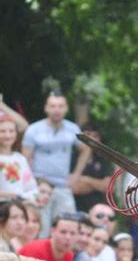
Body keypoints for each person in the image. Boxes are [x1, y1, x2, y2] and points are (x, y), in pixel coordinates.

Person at [22, 91, 91, 230]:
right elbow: (25, 158)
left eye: (60, 106)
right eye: (53, 106)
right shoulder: (33, 129)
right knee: (40, 228)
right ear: (46, 108)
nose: (57, 110)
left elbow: (86, 149)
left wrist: (76, 175)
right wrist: (33, 182)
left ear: (66, 108)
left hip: (63, 186)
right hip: (39, 186)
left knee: (68, 226)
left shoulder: (73, 129)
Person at [73, 122, 113, 212]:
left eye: (95, 136)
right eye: (87, 135)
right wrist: (97, 184)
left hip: (99, 210)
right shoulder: (72, 158)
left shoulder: (104, 159)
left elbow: (107, 187)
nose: (91, 139)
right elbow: (74, 187)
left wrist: (86, 180)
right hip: (75, 209)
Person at [0, 112, 38, 202]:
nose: (8, 135)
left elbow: (32, 188)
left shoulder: (20, 159)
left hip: (19, 206)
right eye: (2, 131)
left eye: (11, 131)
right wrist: (9, 195)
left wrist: (22, 197)